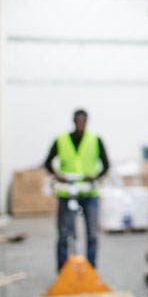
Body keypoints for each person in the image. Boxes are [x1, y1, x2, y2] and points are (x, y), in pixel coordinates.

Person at [44, 109, 110, 271]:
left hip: (89, 193)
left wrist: (95, 176)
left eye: (83, 121)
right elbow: (47, 163)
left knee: (92, 234)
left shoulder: (95, 140)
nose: (80, 123)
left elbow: (106, 165)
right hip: (68, 192)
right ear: (73, 121)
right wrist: (58, 175)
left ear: (87, 121)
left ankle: (91, 270)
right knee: (64, 234)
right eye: (78, 120)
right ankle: (63, 270)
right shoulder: (61, 140)